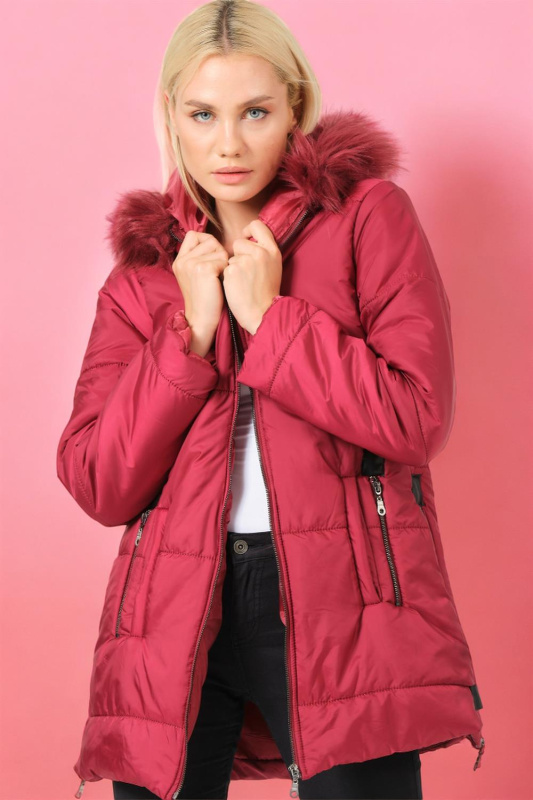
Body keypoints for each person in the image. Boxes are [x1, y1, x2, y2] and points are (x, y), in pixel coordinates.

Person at [57, 1, 486, 799]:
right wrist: (188, 335)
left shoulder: (366, 219)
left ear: (295, 106)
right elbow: (98, 482)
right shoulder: (145, 275)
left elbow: (413, 417)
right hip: (170, 607)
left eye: (254, 112)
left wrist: (270, 319)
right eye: (203, 114)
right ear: (171, 117)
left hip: (341, 598)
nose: (228, 144)